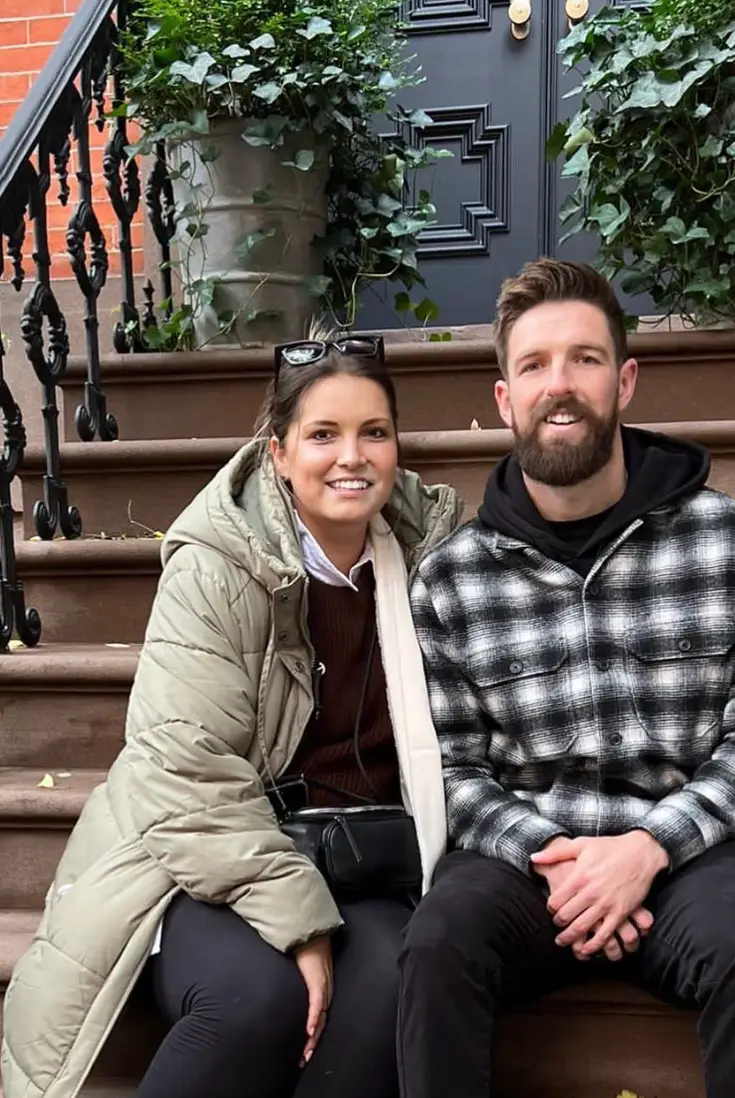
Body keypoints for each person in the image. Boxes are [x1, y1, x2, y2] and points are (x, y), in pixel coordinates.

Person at [1, 332, 461, 1098]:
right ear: (278, 453)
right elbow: (182, 771)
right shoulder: (219, 564)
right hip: (208, 857)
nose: (351, 456)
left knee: (392, 994)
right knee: (257, 999)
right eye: (323, 435)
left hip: (368, 857)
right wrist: (303, 923)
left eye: (372, 433)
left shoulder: (429, 555)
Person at [399, 259, 735, 1098]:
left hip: (688, 853)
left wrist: (648, 849)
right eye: (535, 365)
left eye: (584, 359)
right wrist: (558, 859)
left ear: (624, 381)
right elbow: (451, 769)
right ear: (505, 397)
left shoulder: (726, 539)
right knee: (437, 942)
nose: (561, 385)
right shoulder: (453, 578)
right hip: (528, 860)